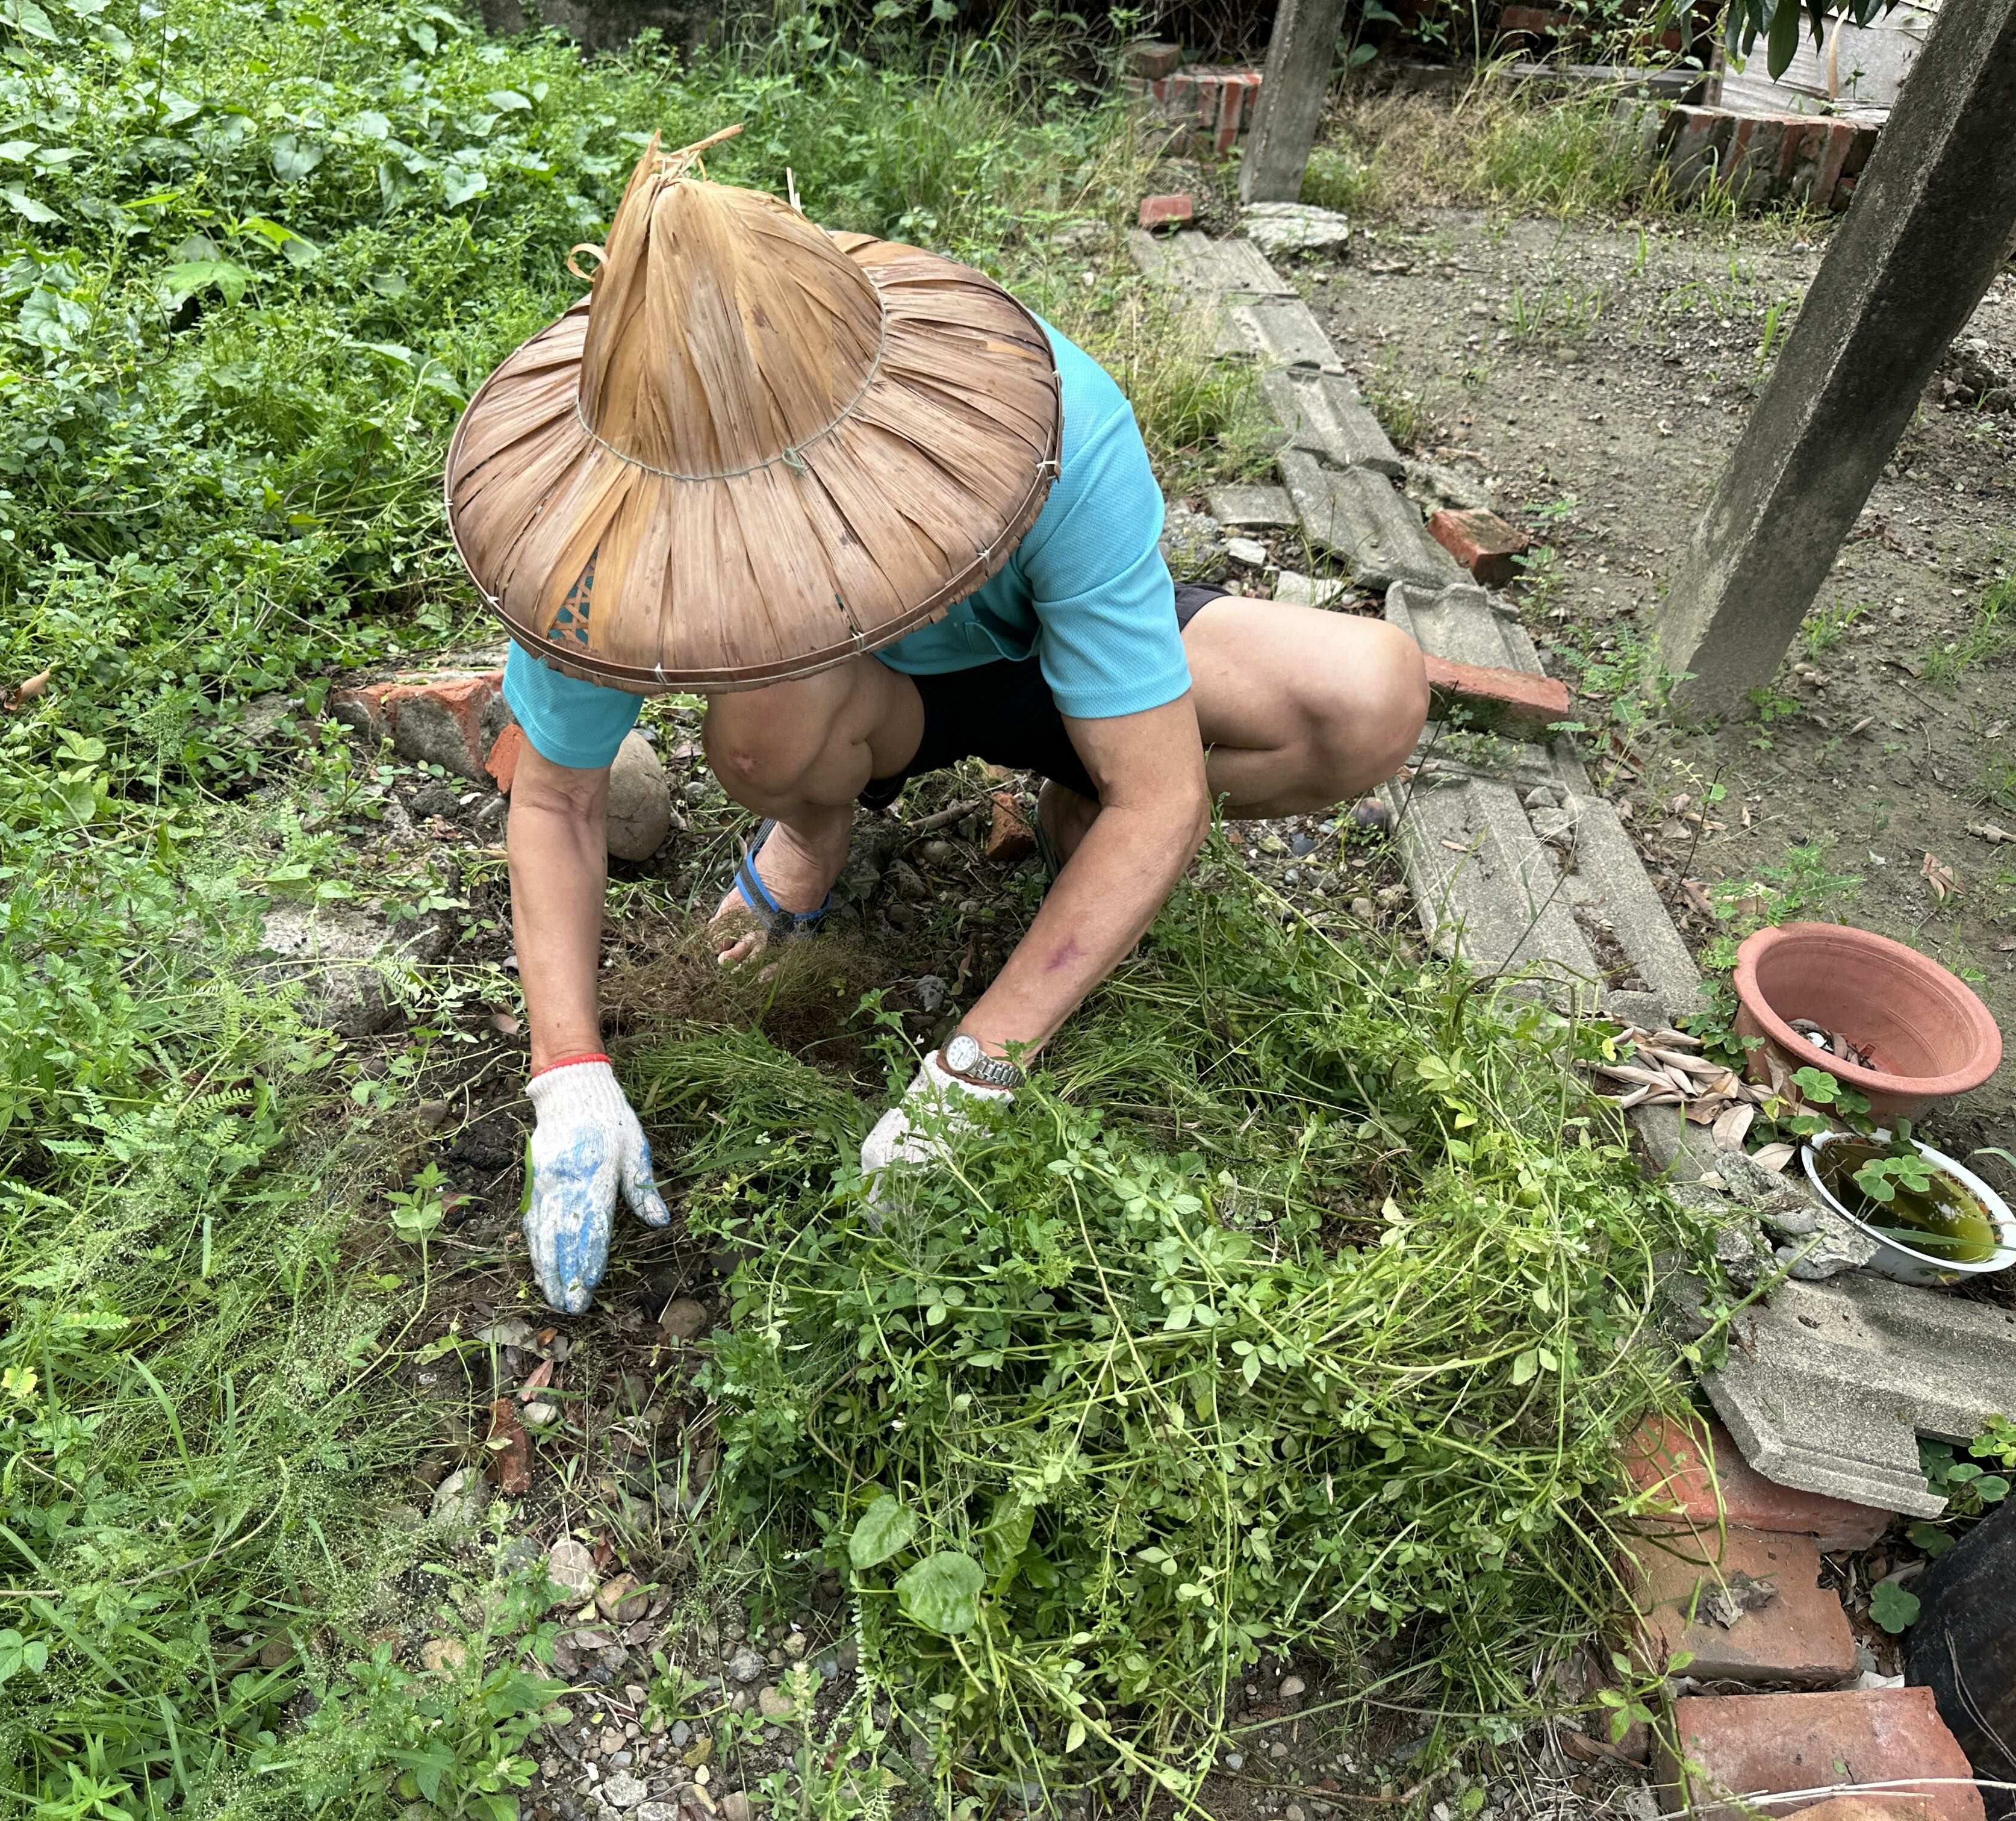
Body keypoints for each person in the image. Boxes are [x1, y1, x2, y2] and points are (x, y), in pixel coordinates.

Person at [444, 130, 1427, 1315]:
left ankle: (1077, 795)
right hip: (862, 703)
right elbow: (557, 796)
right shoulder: (601, 534)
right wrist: (568, 1070)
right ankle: (814, 837)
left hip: (1047, 650)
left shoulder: (1047, 422)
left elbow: (1170, 794)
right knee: (758, 735)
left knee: (1365, 700)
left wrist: (978, 1066)